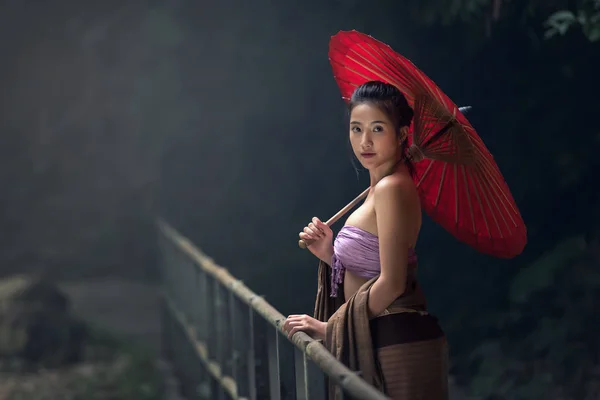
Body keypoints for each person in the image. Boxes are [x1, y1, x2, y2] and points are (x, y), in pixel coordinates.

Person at [283, 80, 449, 399]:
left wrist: (330, 328)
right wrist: (331, 254)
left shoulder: (391, 189)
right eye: (356, 129)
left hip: (399, 342)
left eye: (377, 129)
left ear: (401, 134)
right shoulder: (379, 187)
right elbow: (372, 268)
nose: (365, 141)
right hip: (384, 338)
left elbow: (392, 283)